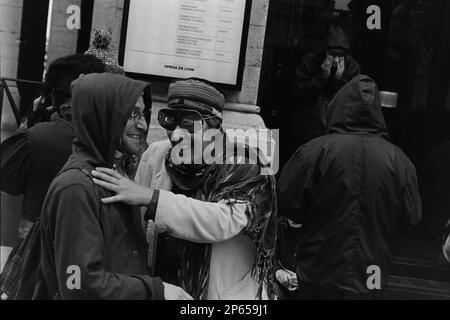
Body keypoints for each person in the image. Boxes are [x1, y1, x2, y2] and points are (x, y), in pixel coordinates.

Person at [90, 77, 278, 300]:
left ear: (214, 126)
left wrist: (153, 199)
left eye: (189, 124)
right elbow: (137, 228)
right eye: (171, 122)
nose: (177, 134)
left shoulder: (247, 163)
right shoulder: (157, 154)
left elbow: (223, 221)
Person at [40, 73, 191, 300]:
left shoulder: (115, 176)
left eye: (144, 114)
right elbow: (78, 283)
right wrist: (157, 291)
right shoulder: (76, 188)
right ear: (103, 115)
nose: (142, 124)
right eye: (131, 114)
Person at [278, 75, 422, 299]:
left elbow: (288, 203)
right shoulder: (399, 161)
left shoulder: (315, 152)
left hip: (319, 269)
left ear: (338, 107)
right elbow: (411, 217)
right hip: (373, 272)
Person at [1, 54, 105, 241]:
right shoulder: (112, 139)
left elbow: (9, 180)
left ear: (53, 94)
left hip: (36, 245)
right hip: (90, 247)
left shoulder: (39, 136)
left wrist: (30, 122)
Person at [292, 26, 360, 148]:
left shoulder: (352, 66)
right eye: (332, 54)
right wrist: (321, 77)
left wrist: (340, 80)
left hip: (337, 127)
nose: (336, 59)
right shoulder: (310, 61)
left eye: (340, 55)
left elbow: (353, 101)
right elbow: (299, 92)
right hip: (309, 124)